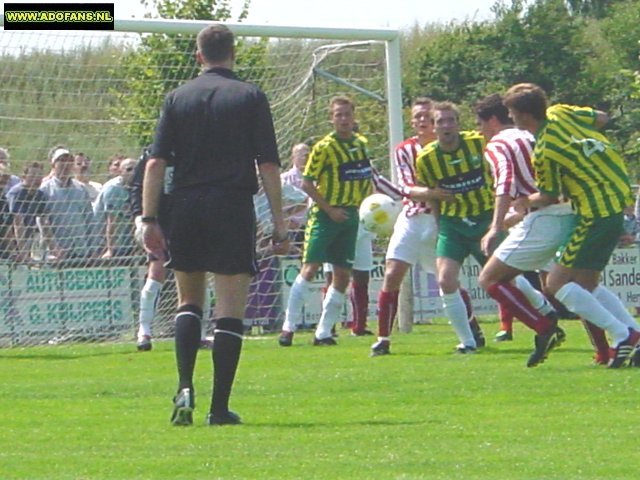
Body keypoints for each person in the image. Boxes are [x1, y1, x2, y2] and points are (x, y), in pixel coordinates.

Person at [142, 24, 288, 426]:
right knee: (229, 310)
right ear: (233, 53)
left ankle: (185, 385)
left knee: (189, 302)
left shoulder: (177, 97)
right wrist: (278, 221)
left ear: (198, 55)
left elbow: (156, 162)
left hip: (186, 204)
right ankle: (218, 407)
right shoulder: (250, 96)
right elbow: (269, 164)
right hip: (231, 205)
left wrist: (149, 218)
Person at [503, 82, 640, 368]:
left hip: (596, 211)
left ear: (525, 115)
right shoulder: (561, 112)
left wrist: (522, 204)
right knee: (586, 283)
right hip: (619, 199)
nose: (511, 119)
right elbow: (601, 118)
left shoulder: (543, 149)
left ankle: (622, 334)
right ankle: (634, 336)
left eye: (512, 113)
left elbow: (549, 195)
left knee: (555, 284)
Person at [471, 93, 569, 367]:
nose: (480, 131)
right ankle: (610, 346)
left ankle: (544, 326)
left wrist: (495, 225)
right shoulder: (530, 135)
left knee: (489, 279)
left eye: (480, 123)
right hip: (567, 209)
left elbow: (505, 181)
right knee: (579, 286)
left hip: (543, 218)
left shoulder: (498, 143)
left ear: (492, 120)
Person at [278, 95, 373, 347]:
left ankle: (323, 331)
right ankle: (288, 327)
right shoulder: (323, 147)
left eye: (347, 114)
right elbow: (307, 183)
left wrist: (368, 207)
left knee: (342, 275)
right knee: (310, 268)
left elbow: (366, 179)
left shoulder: (362, 144)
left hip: (351, 216)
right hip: (325, 215)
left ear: (354, 116)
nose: (343, 119)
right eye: (338, 115)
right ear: (331, 118)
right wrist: (329, 210)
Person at [412, 101, 493, 353]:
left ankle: (543, 316)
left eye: (451, 120)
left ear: (458, 124)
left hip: (484, 218)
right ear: (434, 127)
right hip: (452, 224)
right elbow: (433, 193)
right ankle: (467, 341)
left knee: (505, 277)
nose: (446, 125)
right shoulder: (426, 158)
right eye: (441, 121)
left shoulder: (477, 143)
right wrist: (439, 223)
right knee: (446, 279)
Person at [131, 146, 212, 351]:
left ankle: (199, 333)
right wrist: (141, 219)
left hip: (187, 220)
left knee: (197, 275)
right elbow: (137, 187)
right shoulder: (153, 153)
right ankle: (144, 332)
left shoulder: (195, 150)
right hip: (158, 222)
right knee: (156, 271)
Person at [39, 146, 95, 264]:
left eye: (69, 161)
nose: (65, 164)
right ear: (53, 164)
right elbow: (42, 222)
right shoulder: (45, 190)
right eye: (61, 160)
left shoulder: (81, 189)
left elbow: (89, 219)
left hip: (81, 250)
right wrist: (54, 248)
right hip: (56, 254)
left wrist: (92, 247)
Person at [7, 162, 54, 262]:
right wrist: (23, 253)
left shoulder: (39, 195)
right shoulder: (17, 193)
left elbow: (44, 222)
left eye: (39, 175)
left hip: (25, 240)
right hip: (8, 241)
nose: (36, 179)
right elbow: (17, 224)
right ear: (24, 176)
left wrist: (54, 248)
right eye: (33, 175)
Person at [93, 157, 137, 261]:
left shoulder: (138, 187)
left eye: (136, 169)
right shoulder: (113, 188)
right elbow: (111, 222)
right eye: (129, 169)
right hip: (103, 241)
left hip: (126, 242)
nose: (133, 173)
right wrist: (110, 250)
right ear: (121, 172)